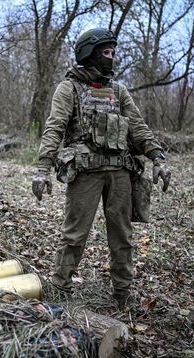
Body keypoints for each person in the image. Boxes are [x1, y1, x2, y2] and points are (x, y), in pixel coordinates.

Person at [32, 28, 171, 310]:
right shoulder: (69, 88)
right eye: (107, 52)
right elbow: (54, 127)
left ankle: (122, 293)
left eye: (112, 52)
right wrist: (42, 168)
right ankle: (60, 288)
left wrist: (158, 157)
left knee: (122, 236)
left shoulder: (118, 91)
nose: (112, 56)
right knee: (74, 235)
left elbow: (138, 128)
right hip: (85, 173)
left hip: (120, 173)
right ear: (90, 53)